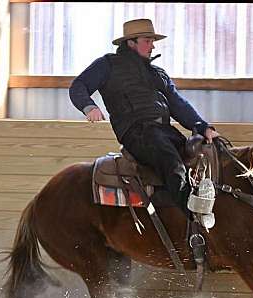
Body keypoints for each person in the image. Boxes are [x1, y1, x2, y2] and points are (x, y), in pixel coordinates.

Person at [69, 18, 219, 218]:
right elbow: (78, 86)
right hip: (137, 132)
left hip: (165, 131)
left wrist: (202, 126)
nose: (152, 45)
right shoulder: (107, 65)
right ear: (131, 42)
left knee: (197, 154)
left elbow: (178, 103)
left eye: (153, 41)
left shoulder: (158, 73)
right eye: (148, 40)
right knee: (171, 162)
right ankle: (193, 215)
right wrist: (89, 107)